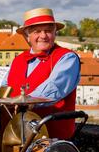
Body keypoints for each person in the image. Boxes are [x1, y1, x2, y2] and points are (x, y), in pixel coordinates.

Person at [7, 8, 80, 140]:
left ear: (55, 34)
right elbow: (4, 89)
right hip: (16, 138)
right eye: (37, 31)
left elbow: (54, 87)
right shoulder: (17, 60)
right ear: (27, 36)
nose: (43, 36)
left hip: (53, 140)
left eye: (48, 31)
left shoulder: (67, 58)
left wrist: (27, 101)